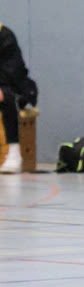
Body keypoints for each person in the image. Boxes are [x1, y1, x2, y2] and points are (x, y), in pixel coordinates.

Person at [0, 23, 34, 174]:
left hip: (16, 86)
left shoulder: (5, 36)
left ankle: (14, 153)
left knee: (6, 97)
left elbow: (14, 71)